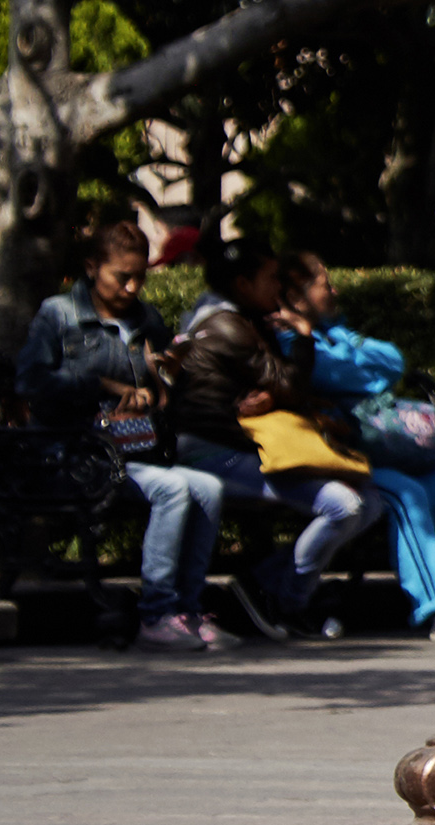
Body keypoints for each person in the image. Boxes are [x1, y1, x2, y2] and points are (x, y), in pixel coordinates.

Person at [13, 218, 224, 651]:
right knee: (171, 489)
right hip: (71, 454)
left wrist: (161, 384)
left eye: (140, 277)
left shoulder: (148, 319)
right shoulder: (59, 314)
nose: (132, 288)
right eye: (122, 277)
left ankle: (187, 609)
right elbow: (30, 382)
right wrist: (100, 386)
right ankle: (156, 613)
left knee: (208, 488)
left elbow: (165, 390)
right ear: (92, 267)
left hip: (131, 450)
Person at [163, 238, 382, 640]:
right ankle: (288, 604)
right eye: (270, 279)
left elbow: (281, 388)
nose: (278, 287)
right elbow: (290, 386)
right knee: (344, 505)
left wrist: (276, 391)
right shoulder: (226, 325)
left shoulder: (251, 320)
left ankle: (260, 584)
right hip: (214, 453)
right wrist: (303, 335)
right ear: (243, 284)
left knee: (370, 503)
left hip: (253, 449)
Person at [286, 254, 435, 640]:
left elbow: (393, 361)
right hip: (346, 459)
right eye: (324, 285)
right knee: (405, 495)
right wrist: (359, 366)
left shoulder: (336, 333)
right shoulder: (289, 340)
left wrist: (349, 351)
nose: (334, 290)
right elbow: (339, 374)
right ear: (297, 297)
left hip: (391, 451)